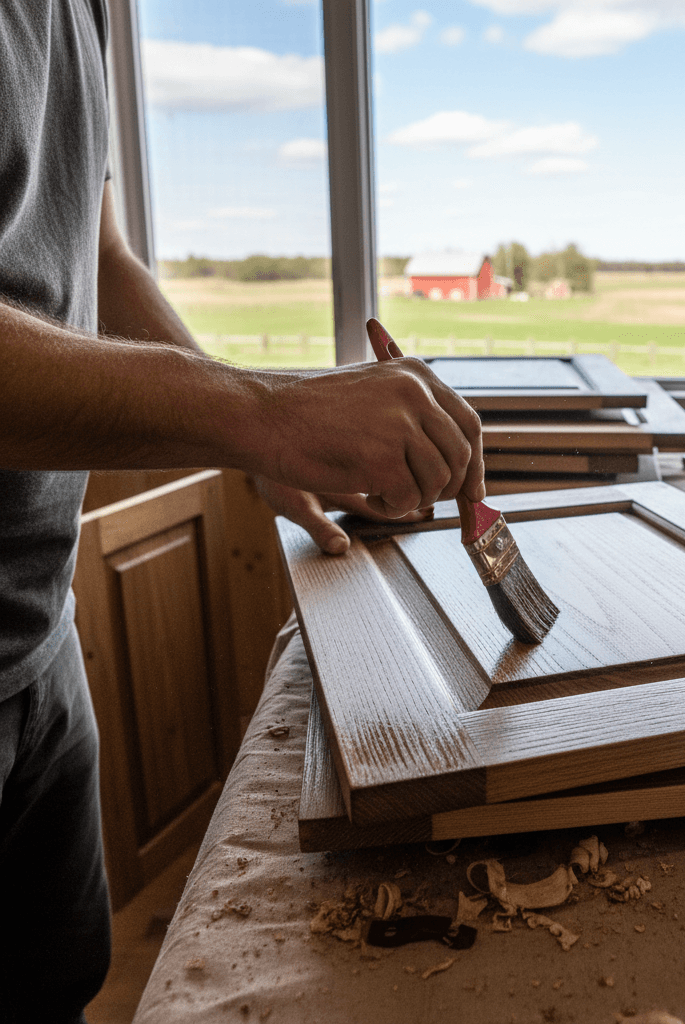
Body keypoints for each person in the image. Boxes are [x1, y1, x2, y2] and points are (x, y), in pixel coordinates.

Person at [0, 3, 484, 1021]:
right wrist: (258, 415)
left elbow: (101, 255)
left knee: (58, 981)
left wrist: (254, 442)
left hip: (33, 635)